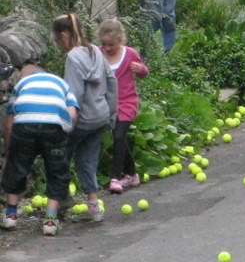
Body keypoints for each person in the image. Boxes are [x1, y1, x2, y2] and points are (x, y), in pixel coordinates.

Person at [53, 13, 117, 223]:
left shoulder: (73, 57)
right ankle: (94, 208)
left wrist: (67, 125)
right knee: (87, 161)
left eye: (56, 39)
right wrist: (111, 114)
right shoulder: (96, 51)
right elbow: (112, 80)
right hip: (100, 116)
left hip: (82, 120)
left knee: (59, 157)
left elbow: (74, 94)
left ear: (64, 35)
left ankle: (61, 201)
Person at [1, 64, 78, 235]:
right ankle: (50, 220)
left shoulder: (21, 84)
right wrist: (64, 133)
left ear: (23, 77)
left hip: (24, 125)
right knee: (57, 171)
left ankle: (10, 215)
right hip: (54, 127)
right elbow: (72, 114)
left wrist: (8, 147)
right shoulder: (61, 83)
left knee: (17, 167)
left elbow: (9, 120)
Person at [98, 19, 149, 194]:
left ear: (120, 39)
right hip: (107, 103)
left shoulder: (130, 53)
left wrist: (140, 69)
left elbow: (144, 73)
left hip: (127, 102)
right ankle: (132, 174)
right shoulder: (98, 53)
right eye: (104, 44)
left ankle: (115, 177)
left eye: (111, 45)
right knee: (120, 138)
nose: (107, 48)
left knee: (118, 135)